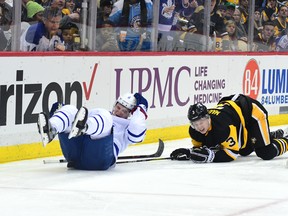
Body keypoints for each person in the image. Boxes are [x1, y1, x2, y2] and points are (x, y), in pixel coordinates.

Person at [37, 92, 148, 170]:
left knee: (105, 117)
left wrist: (141, 108)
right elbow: (77, 115)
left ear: (129, 114)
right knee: (70, 109)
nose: (119, 112)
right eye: (118, 108)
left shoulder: (127, 127)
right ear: (115, 105)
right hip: (75, 154)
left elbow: (137, 133)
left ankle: (84, 127)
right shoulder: (101, 116)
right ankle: (52, 129)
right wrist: (60, 112)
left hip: (100, 158)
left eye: (124, 111)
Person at [170, 94, 288, 163]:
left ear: (208, 118)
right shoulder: (194, 131)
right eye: (195, 124)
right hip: (236, 115)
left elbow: (232, 154)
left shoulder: (222, 126)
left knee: (265, 152)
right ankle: (269, 135)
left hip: (251, 112)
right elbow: (201, 148)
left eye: (201, 122)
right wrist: (189, 153)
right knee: (245, 150)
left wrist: (211, 157)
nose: (199, 127)